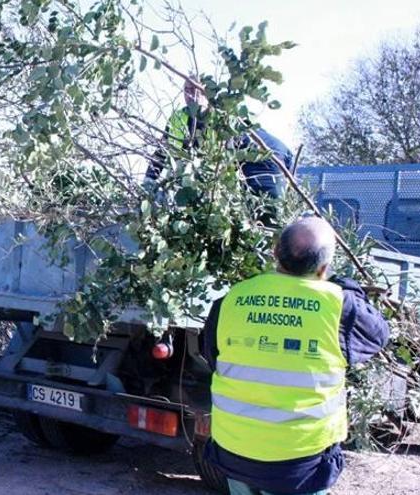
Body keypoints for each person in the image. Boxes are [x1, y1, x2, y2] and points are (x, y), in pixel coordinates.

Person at [201, 216, 390, 495]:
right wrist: (345, 285)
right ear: (324, 267)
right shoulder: (339, 305)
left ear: (275, 252)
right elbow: (378, 336)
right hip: (300, 464)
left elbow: (212, 356)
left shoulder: (231, 299)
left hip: (234, 452)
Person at [146, 78, 291, 200]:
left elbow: (223, 161)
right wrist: (149, 180)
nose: (190, 95)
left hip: (264, 156)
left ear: (206, 93)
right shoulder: (178, 118)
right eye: (187, 90)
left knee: (265, 211)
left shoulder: (219, 116)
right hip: (252, 158)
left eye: (195, 90)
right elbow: (162, 151)